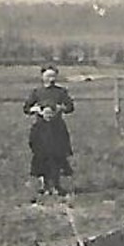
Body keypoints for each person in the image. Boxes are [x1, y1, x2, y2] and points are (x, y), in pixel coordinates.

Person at [23, 65, 75, 197]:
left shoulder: (61, 92)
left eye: (53, 76)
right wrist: (36, 110)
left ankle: (56, 185)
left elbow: (70, 107)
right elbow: (26, 108)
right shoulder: (37, 92)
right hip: (41, 129)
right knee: (42, 156)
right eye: (48, 76)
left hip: (57, 129)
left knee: (57, 156)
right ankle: (45, 186)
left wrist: (60, 108)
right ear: (42, 77)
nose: (50, 79)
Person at [27, 103, 72, 198]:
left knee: (55, 170)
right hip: (41, 153)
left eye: (50, 113)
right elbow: (32, 139)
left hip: (56, 153)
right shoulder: (37, 125)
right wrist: (36, 149)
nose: (48, 116)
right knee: (42, 170)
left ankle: (56, 186)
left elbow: (64, 138)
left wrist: (65, 150)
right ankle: (45, 187)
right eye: (46, 113)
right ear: (42, 113)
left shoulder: (58, 126)